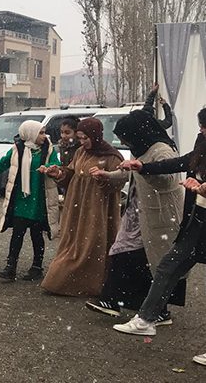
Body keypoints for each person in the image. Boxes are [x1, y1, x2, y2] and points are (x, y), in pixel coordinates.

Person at [111, 110, 206, 358]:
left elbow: (170, 178)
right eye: (201, 126)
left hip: (183, 217)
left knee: (166, 266)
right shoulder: (202, 145)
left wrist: (203, 188)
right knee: (167, 267)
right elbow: (181, 163)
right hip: (198, 220)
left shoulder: (162, 147)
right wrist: (144, 167)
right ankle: (147, 318)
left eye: (204, 127)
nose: (201, 131)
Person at [87, 109, 184, 320]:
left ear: (137, 133)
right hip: (137, 214)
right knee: (127, 254)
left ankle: (153, 309)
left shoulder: (162, 151)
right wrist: (108, 175)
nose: (125, 143)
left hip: (157, 216)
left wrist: (144, 169)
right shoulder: (140, 147)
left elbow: (168, 180)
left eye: (126, 138)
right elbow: (130, 171)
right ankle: (115, 300)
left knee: (153, 262)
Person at [42, 118, 124, 296]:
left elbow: (120, 181)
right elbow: (72, 173)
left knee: (92, 243)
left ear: (95, 135)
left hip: (97, 208)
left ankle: (89, 284)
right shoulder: (81, 152)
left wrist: (104, 176)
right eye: (80, 138)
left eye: (85, 138)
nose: (82, 141)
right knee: (72, 240)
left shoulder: (112, 156)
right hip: (76, 206)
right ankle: (64, 281)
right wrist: (59, 173)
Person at [0, 120, 60, 280]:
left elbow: (56, 164)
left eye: (43, 132)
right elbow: (3, 163)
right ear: (30, 134)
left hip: (39, 199)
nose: (44, 136)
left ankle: (36, 267)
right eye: (40, 133)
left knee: (36, 235)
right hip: (20, 198)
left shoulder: (48, 149)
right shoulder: (17, 149)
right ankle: (10, 267)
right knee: (17, 234)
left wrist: (50, 168)